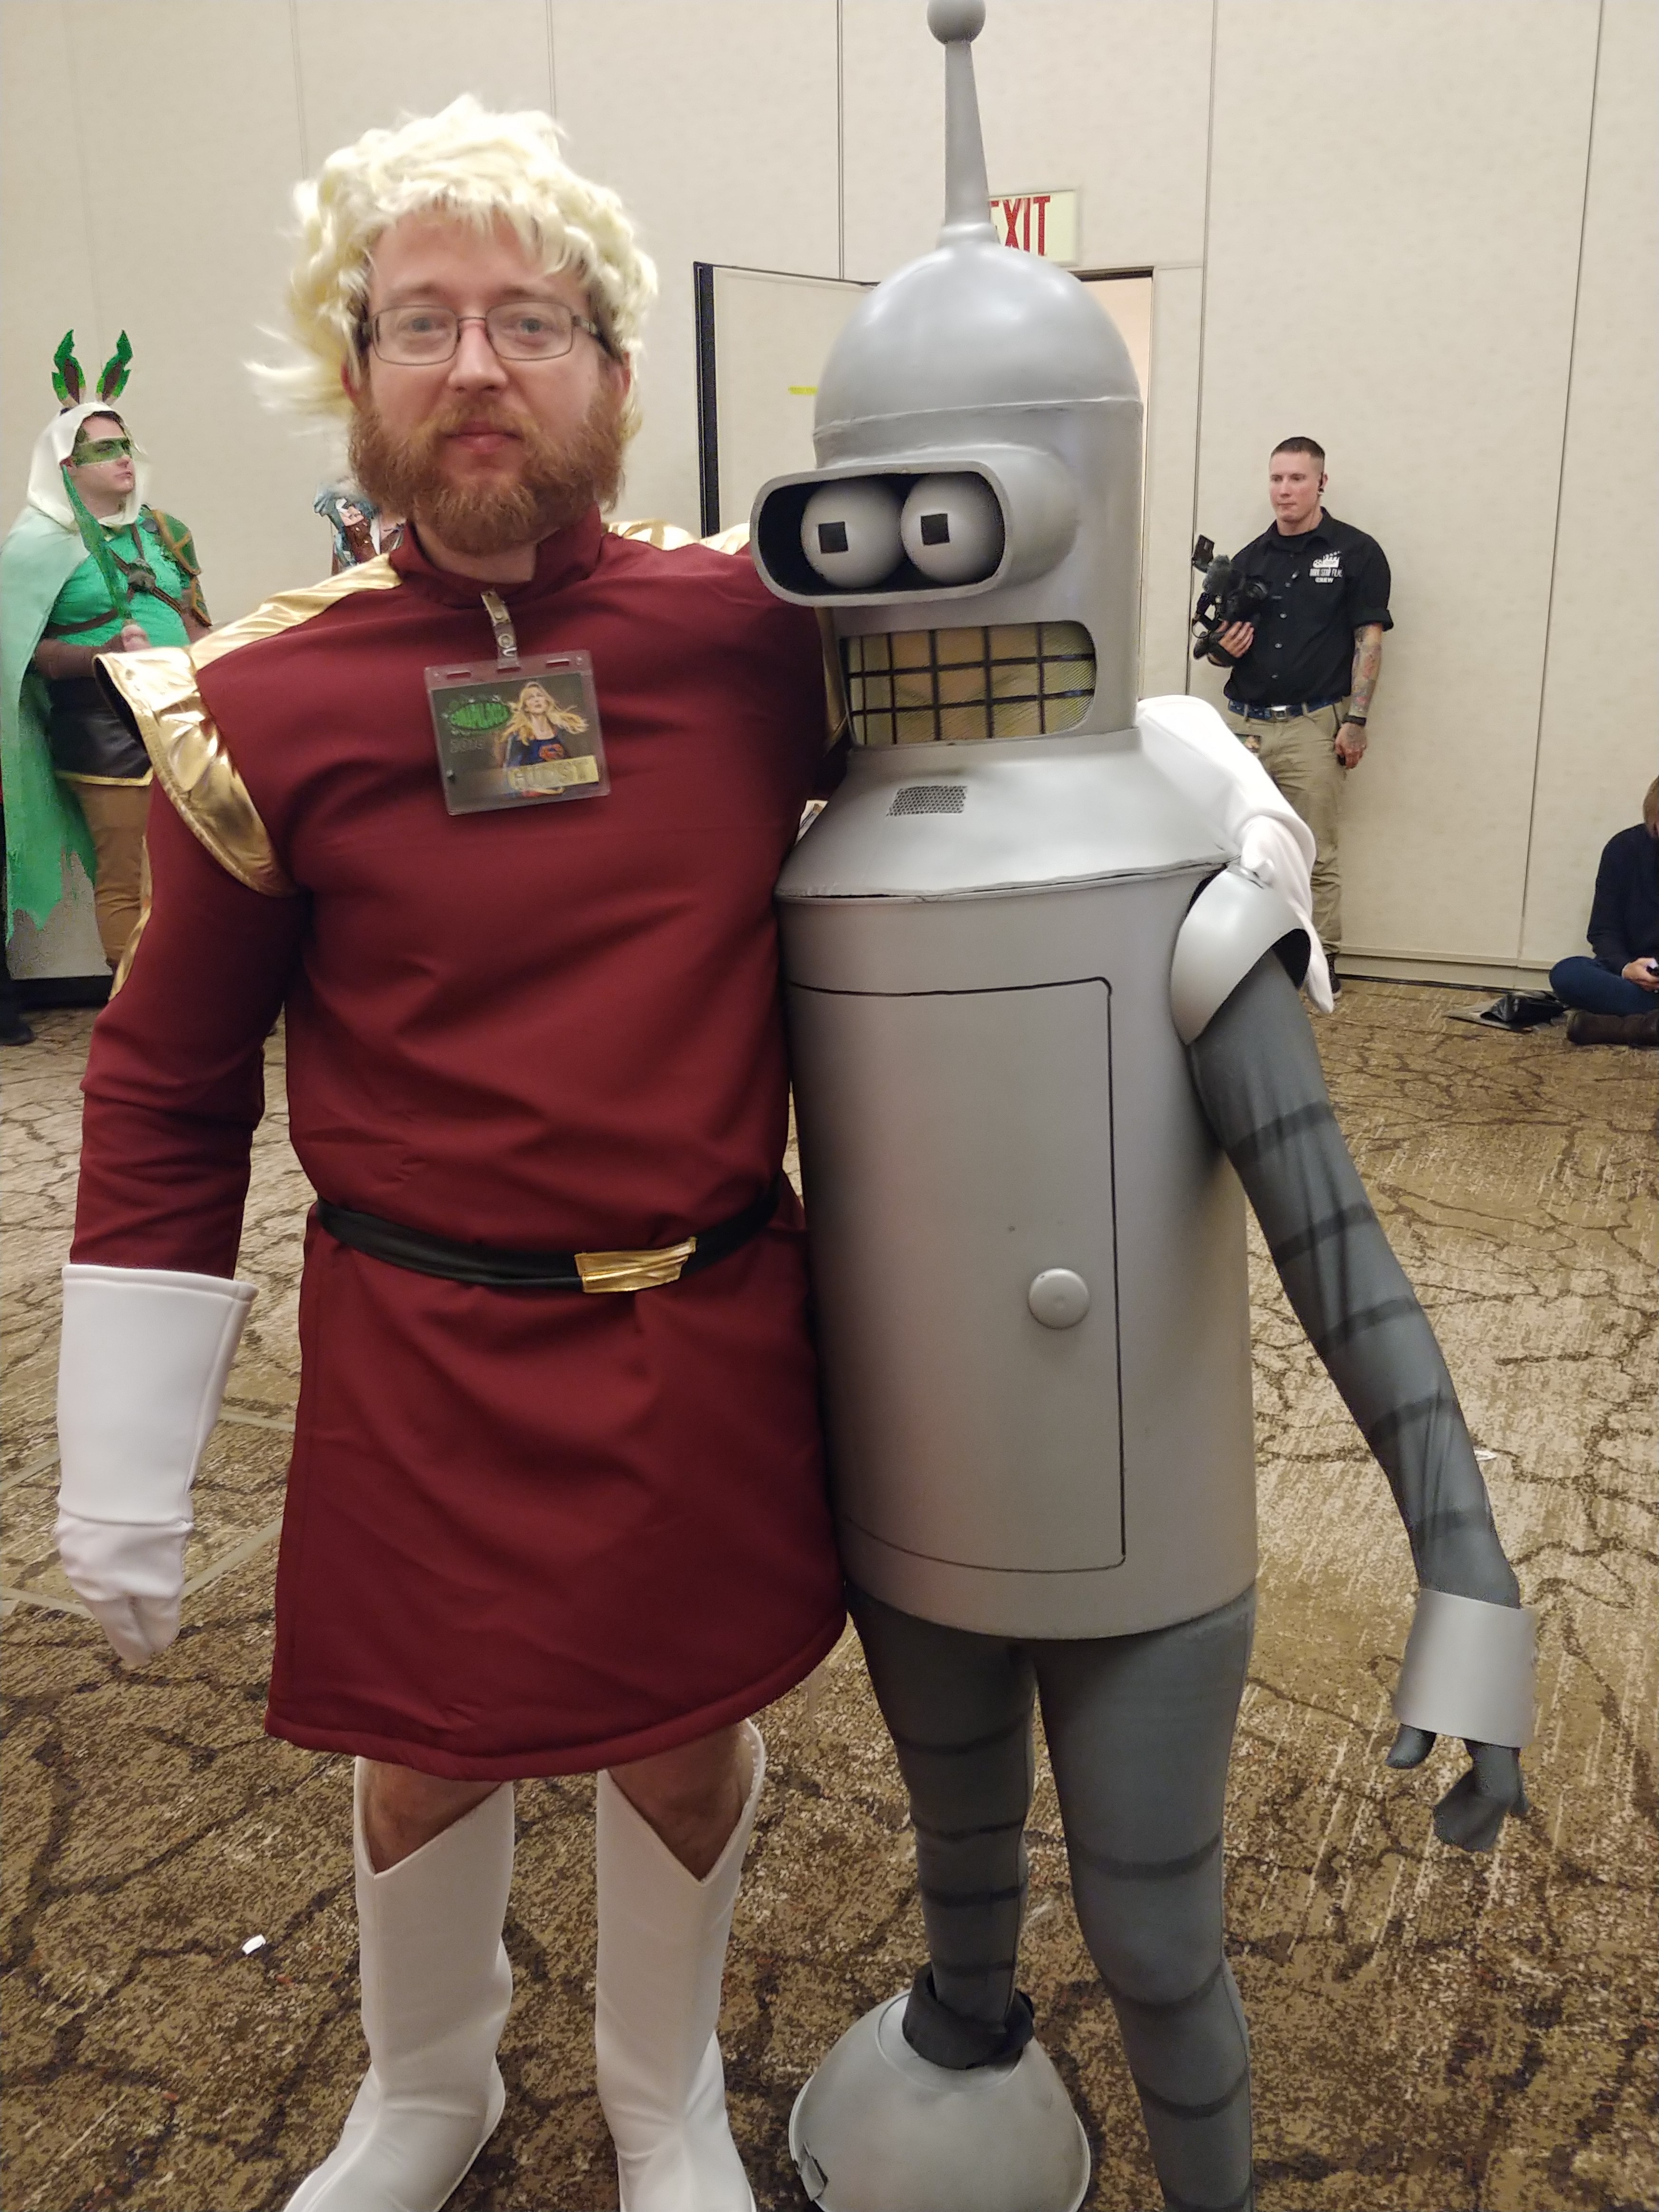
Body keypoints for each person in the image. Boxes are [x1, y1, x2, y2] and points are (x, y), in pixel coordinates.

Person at [55, 99, 843, 2212]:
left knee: (677, 1738)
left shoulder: (756, 636)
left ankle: (662, 2100)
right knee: (422, 1755)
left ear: (612, 368)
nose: (476, 365)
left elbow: (1014, 720)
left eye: (528, 320)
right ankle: (428, 2090)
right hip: (419, 1340)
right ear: (356, 368)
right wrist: (122, 1458)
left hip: (699, 1321)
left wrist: (1223, 815)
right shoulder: (266, 701)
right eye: (422, 320)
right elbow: (169, 1081)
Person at [0, 334, 210, 973]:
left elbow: (197, 624)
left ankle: (200, 996)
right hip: (102, 728)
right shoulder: (35, 548)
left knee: (202, 869)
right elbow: (26, 655)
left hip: (184, 717)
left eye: (126, 444)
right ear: (68, 465)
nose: (124, 458)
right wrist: (104, 655)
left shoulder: (165, 532)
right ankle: (141, 1009)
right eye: (104, 448)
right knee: (127, 879)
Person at [1207, 437, 1392, 991]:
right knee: (1238, 847)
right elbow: (1216, 651)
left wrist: (1356, 721)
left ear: (1321, 483)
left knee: (1315, 850)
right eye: (1276, 479)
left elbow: (1369, 640)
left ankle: (1321, 960)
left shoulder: (1356, 552)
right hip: (1245, 724)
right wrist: (1223, 650)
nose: (1284, 490)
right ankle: (1244, 955)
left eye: (1297, 479)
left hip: (1314, 724)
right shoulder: (1248, 560)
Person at [1548, 779, 1659, 1046]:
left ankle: (1627, 1028)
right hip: (1634, 976)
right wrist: (1626, 968)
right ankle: (1649, 1023)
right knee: (1568, 973)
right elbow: (1603, 930)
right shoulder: (1624, 849)